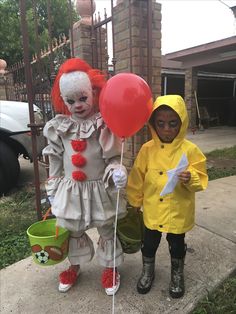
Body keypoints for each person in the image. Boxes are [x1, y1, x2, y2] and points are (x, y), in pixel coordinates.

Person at [43, 58, 127, 295]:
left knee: (106, 227)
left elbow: (112, 157)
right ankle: (75, 265)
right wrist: (53, 186)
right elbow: (56, 159)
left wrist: (117, 171)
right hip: (71, 189)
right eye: (70, 100)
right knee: (74, 229)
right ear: (63, 100)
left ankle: (111, 268)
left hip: (98, 187)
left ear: (94, 92)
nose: (77, 105)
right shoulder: (60, 126)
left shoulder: (102, 124)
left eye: (83, 98)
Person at [126, 95, 208, 298]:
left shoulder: (190, 150)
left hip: (178, 210)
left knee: (177, 244)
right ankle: (147, 271)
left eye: (173, 124)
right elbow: (137, 176)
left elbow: (201, 177)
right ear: (153, 124)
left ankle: (177, 274)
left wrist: (191, 178)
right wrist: (135, 201)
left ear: (182, 123)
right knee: (149, 243)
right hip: (152, 209)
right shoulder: (147, 150)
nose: (167, 129)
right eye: (160, 124)